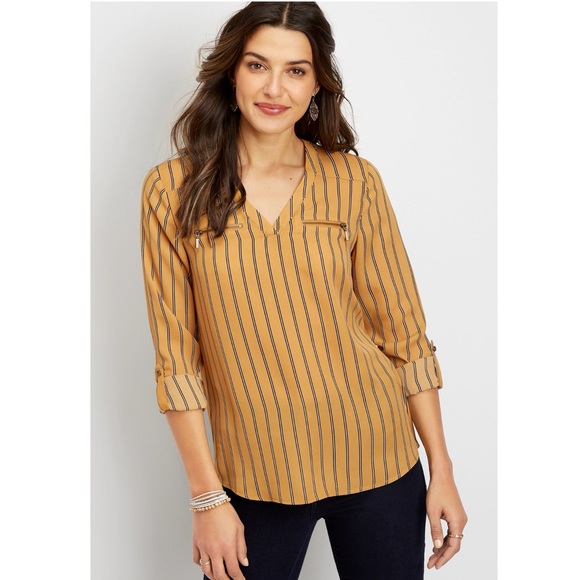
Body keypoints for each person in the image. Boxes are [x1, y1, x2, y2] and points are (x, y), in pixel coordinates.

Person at [140, 2, 467, 579]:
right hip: (254, 476)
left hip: (379, 459)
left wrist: (441, 469)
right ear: (231, 73)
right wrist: (207, 498)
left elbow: (405, 336)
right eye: (257, 65)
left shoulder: (354, 182)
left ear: (317, 84)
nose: (275, 88)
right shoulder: (173, 190)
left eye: (296, 70)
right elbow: (177, 361)